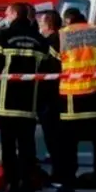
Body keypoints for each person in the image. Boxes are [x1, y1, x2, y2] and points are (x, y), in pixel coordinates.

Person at [0, 3, 50, 192]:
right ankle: (27, 182)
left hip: (5, 103)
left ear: (14, 15)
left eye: (7, 13)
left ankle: (11, 182)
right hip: (28, 103)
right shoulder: (39, 40)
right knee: (27, 143)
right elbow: (47, 70)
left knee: (8, 146)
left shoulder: (1, 37)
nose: (5, 16)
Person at [54, 8, 96, 192]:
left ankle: (68, 182)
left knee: (69, 143)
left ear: (67, 20)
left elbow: (54, 63)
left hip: (73, 97)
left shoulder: (62, 36)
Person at [36, 10, 63, 176]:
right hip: (60, 93)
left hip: (50, 95)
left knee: (53, 136)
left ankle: (58, 170)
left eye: (41, 23)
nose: (40, 27)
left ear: (48, 25)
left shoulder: (49, 43)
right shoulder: (63, 39)